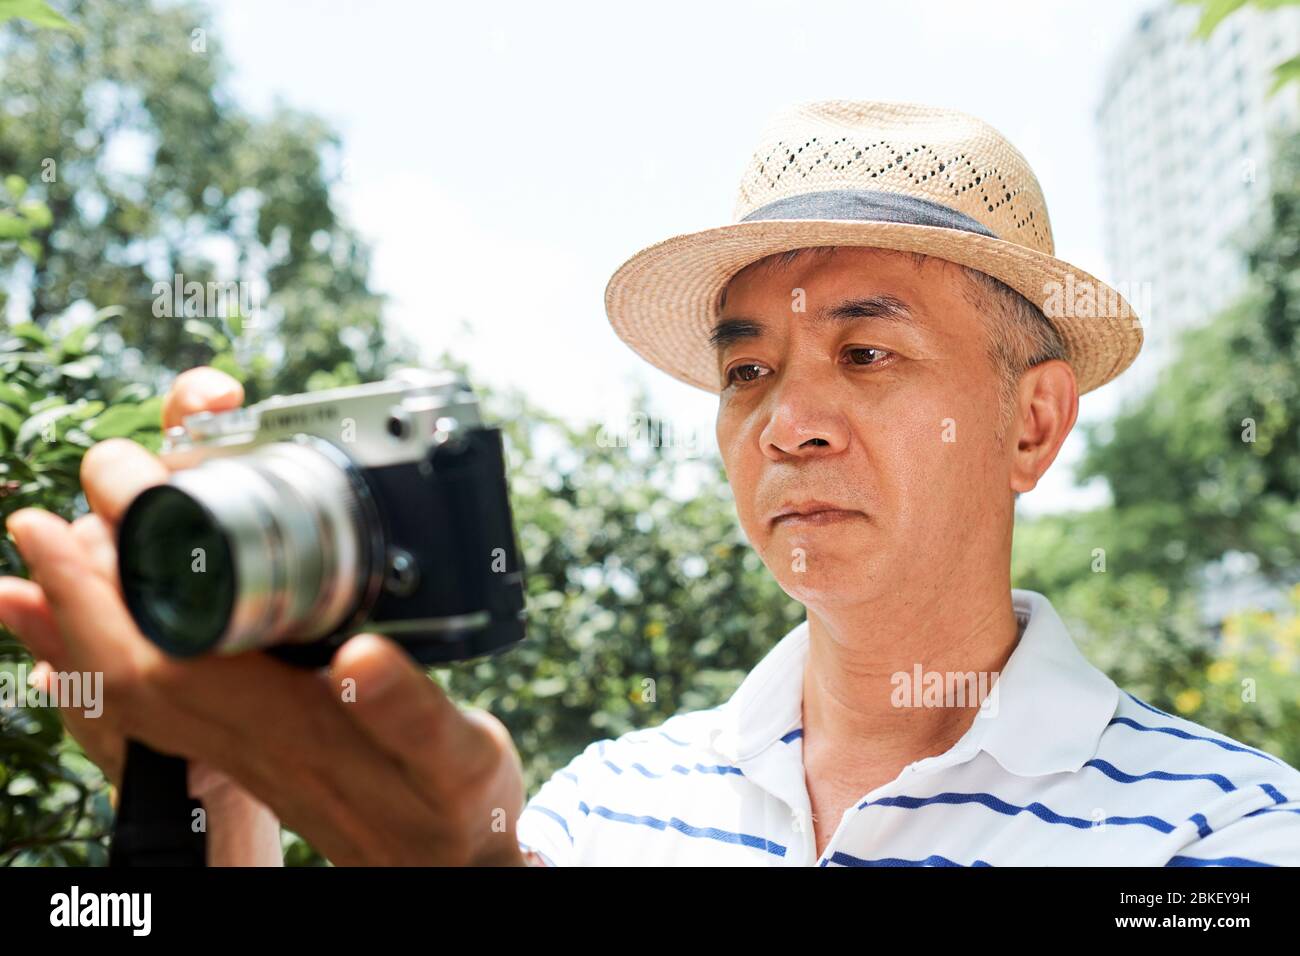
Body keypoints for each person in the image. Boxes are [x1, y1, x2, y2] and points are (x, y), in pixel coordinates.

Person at [2, 100, 1297, 866]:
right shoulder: (604, 808)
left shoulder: (1224, 835)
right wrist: (223, 797)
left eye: (866, 351)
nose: (790, 421)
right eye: (749, 373)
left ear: (1032, 423)